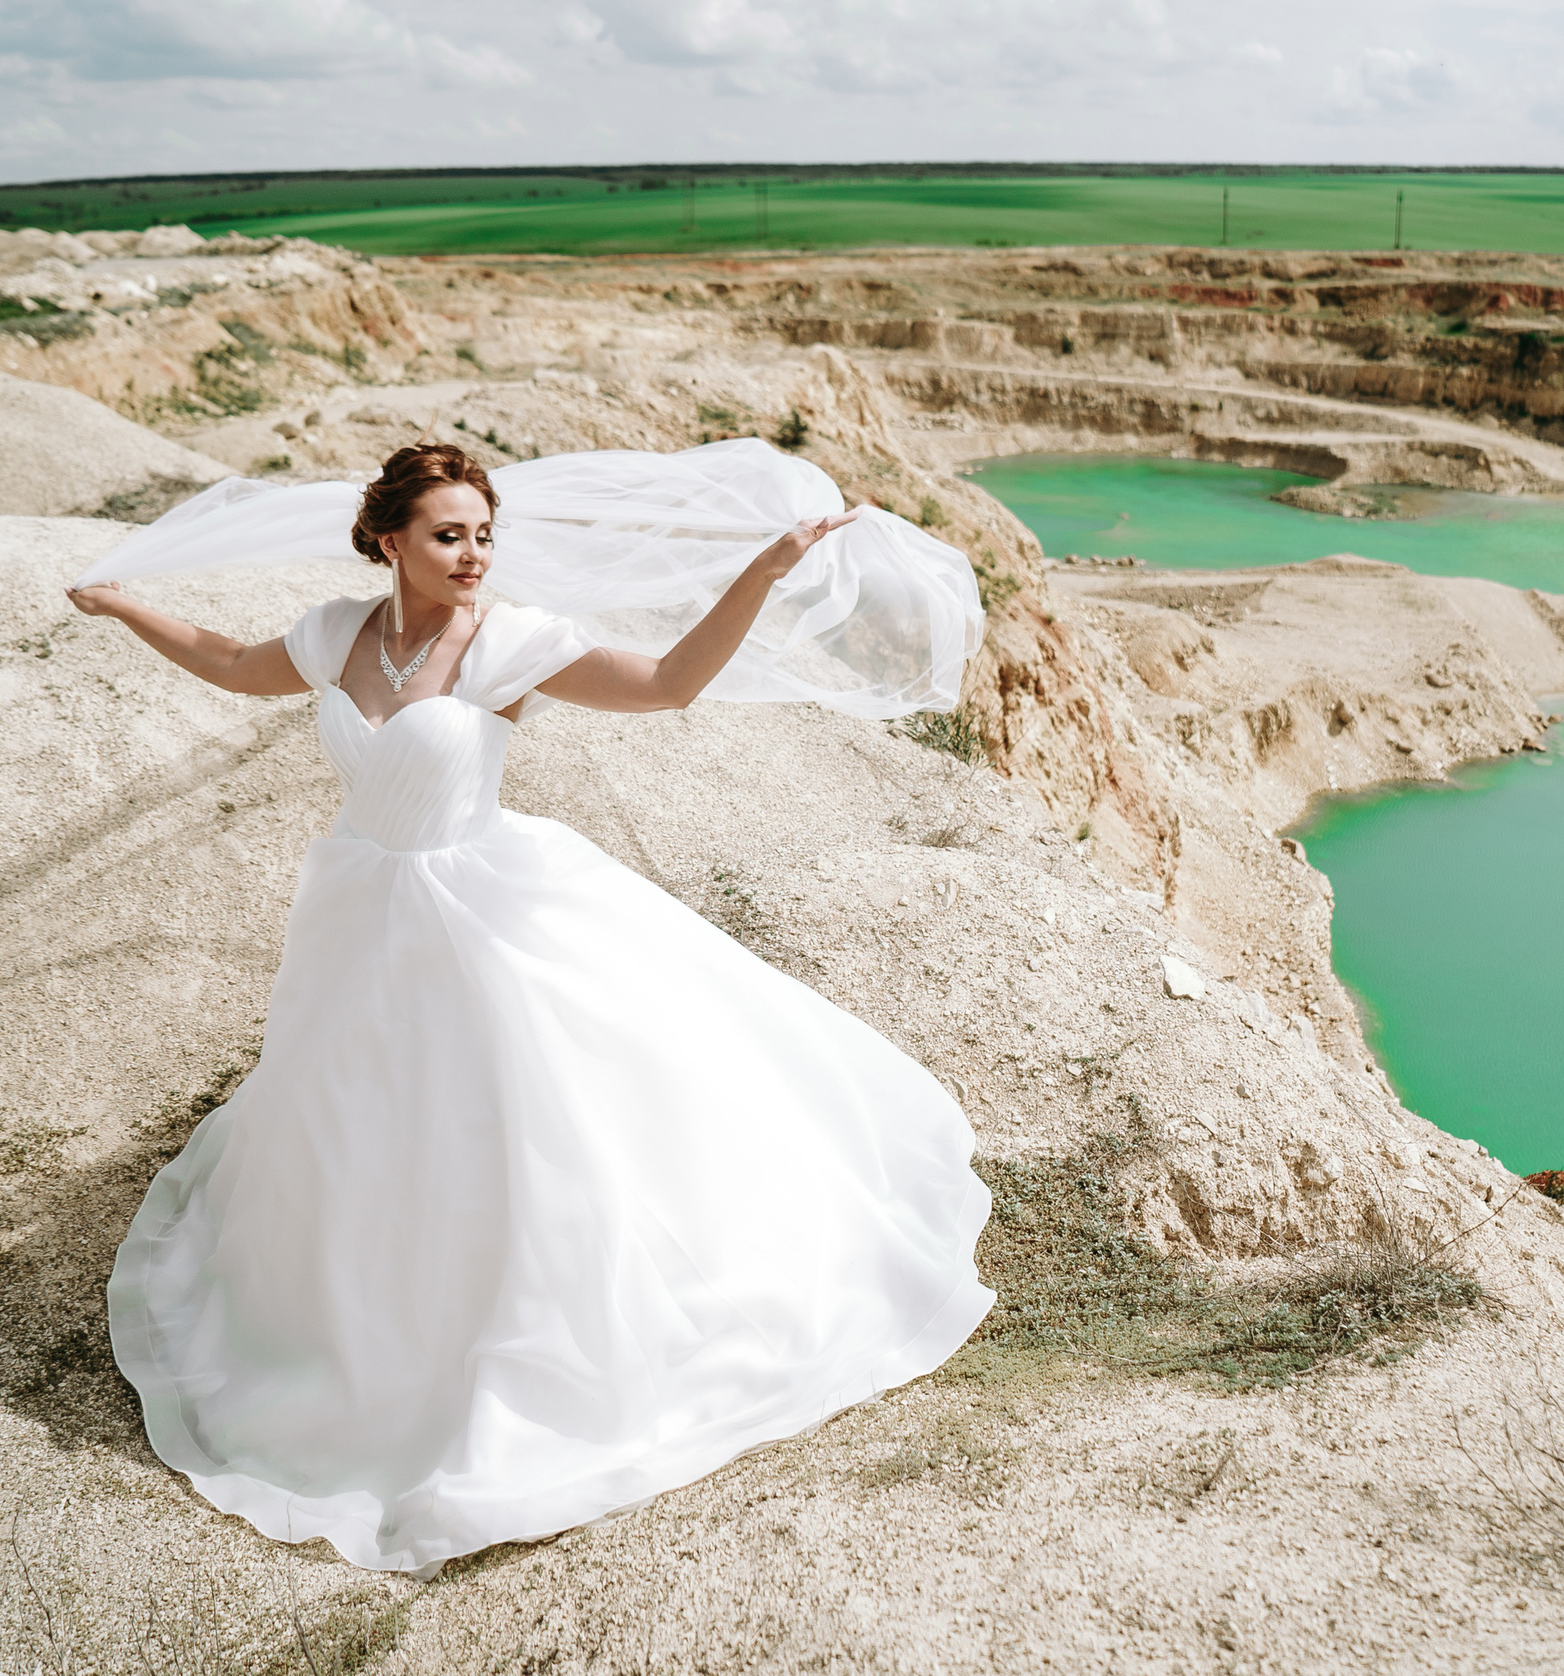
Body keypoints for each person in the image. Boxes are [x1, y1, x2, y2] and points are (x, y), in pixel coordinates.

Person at [69, 441, 994, 1577]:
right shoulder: (337, 634)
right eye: (448, 534)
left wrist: (760, 573)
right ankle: (352, 1332)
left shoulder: (508, 642)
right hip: (363, 913)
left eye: (483, 534)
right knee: (357, 1130)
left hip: (482, 911)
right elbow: (229, 661)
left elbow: (668, 684)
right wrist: (126, 607)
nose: (473, 554)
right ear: (389, 540)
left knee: (520, 1135)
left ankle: (507, 1357)